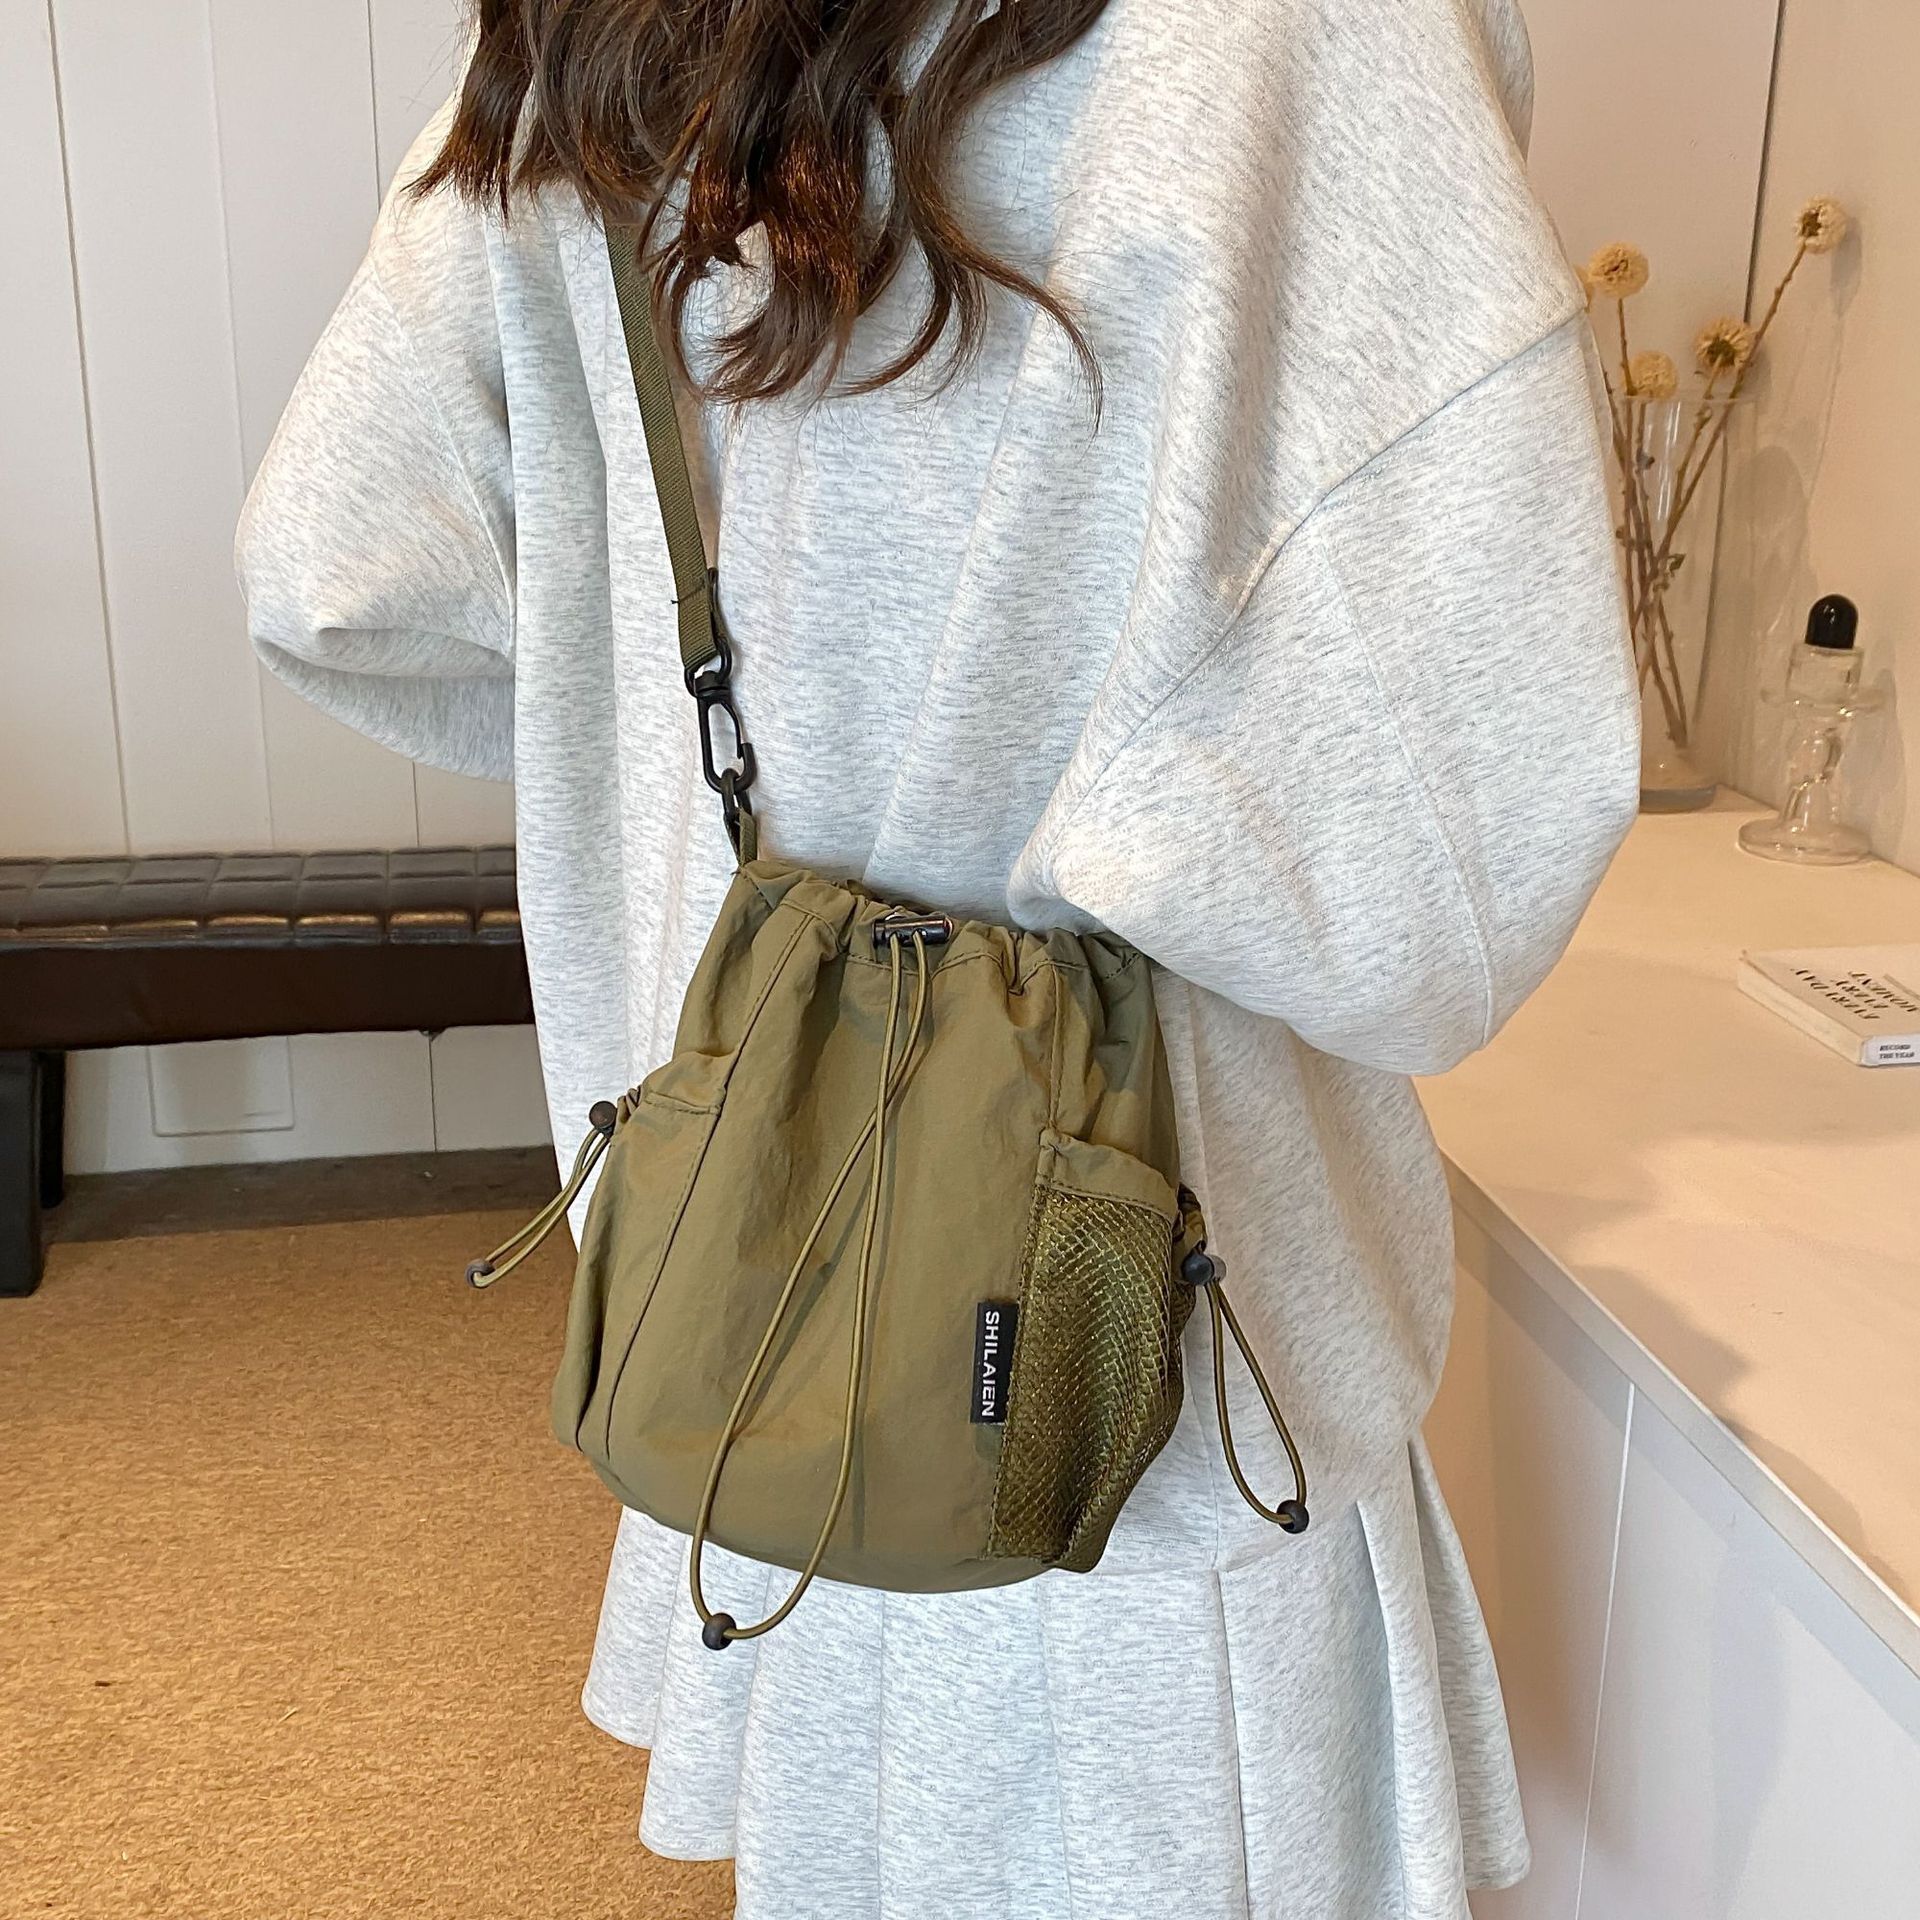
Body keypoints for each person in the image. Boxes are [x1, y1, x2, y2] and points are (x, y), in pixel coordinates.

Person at [236, 0, 1638, 1911]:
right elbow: (1447, 867)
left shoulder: (602, 41)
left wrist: (681, 753)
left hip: (763, 1289)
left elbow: (338, 563)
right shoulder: (1306, 31)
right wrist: (1091, 793)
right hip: (1153, 1384)